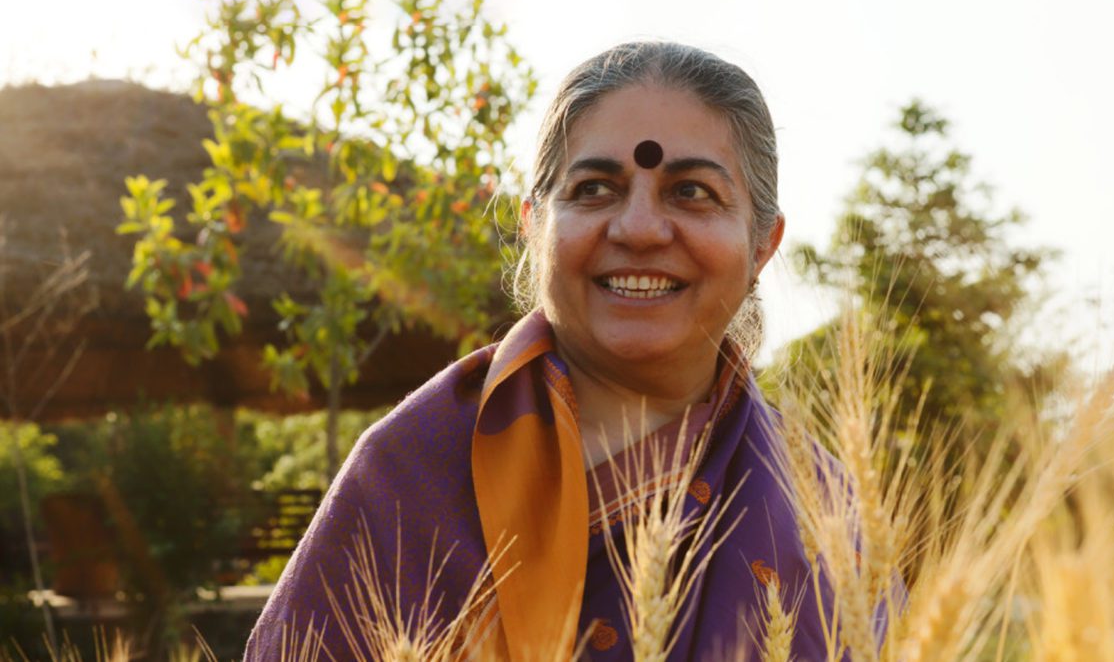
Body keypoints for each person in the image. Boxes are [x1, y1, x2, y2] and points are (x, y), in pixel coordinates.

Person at [245, 41, 833, 661]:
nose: (637, 228)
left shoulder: (823, 504)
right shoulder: (412, 475)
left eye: (691, 192)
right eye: (595, 189)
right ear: (533, 225)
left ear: (763, 244)